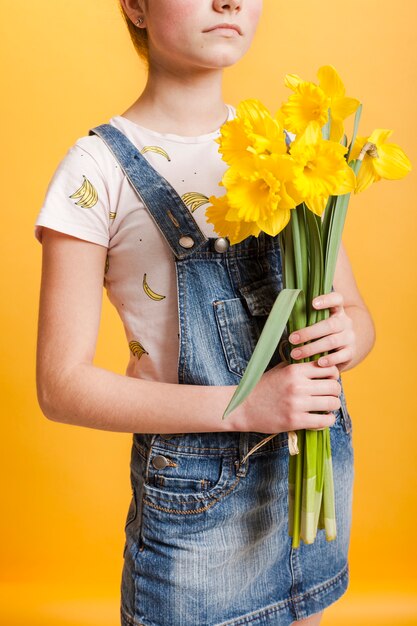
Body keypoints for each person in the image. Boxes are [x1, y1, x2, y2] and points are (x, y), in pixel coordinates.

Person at [34, 1, 375, 625]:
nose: (229, 0)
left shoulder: (291, 150)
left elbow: (354, 312)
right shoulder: (97, 169)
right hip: (196, 516)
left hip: (309, 494)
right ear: (134, 6)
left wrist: (349, 333)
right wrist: (243, 405)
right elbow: (61, 387)